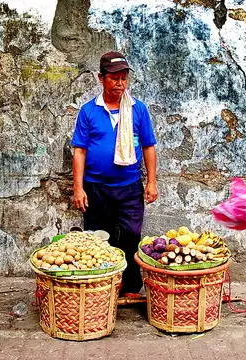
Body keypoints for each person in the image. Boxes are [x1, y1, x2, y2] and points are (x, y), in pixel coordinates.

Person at [70, 51, 158, 299]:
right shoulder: (89, 111)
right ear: (101, 78)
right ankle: (101, 289)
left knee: (131, 235)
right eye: (114, 78)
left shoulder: (138, 109)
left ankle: (129, 288)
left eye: (123, 78)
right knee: (98, 239)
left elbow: (149, 147)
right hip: (96, 187)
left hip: (129, 186)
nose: (120, 83)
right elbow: (80, 151)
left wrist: (152, 182)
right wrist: (78, 188)